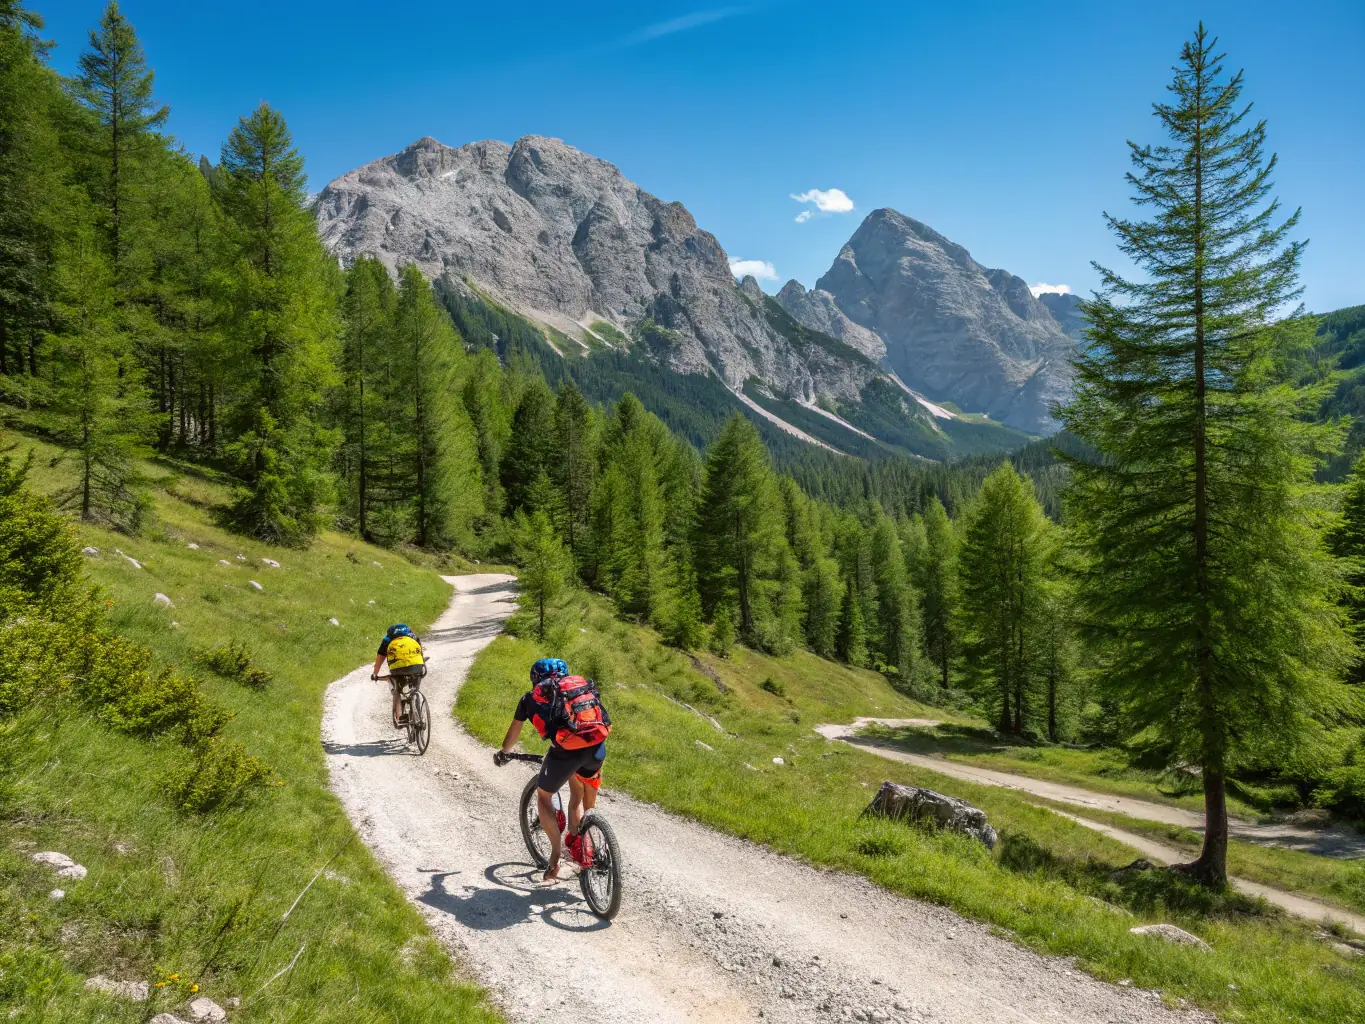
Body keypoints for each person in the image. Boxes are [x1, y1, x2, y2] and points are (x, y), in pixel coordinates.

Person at [494, 657, 610, 881]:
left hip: (566, 752)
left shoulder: (529, 699)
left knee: (544, 796)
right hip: (596, 748)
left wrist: (504, 752)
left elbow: (512, 737)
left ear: (535, 679)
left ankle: (555, 858)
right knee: (578, 796)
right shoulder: (577, 690)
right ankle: (586, 844)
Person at [371, 623, 426, 726]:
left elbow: (380, 657)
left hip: (397, 669)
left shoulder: (388, 639)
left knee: (397, 691)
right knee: (415, 688)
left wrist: (375, 674)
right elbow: (419, 652)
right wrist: (422, 664)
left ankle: (400, 717)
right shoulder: (412, 636)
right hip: (417, 666)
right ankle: (416, 704)